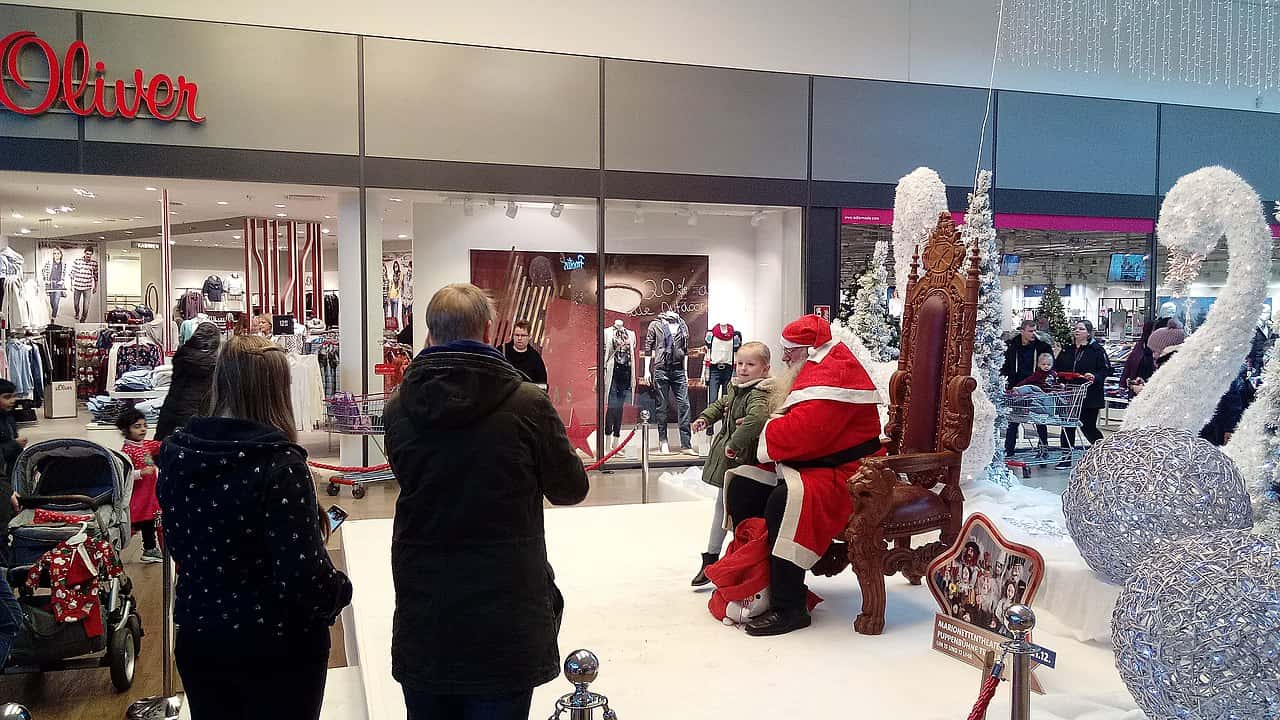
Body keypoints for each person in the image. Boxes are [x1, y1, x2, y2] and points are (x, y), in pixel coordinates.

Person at [385, 283, 588, 719]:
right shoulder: (526, 402)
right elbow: (570, 488)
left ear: (429, 332)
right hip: (506, 599)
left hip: (427, 597)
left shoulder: (400, 406)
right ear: (488, 329)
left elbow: (411, 478)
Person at [157, 335, 351, 720]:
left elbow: (177, 544)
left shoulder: (178, 454)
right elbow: (302, 575)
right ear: (276, 390)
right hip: (277, 646)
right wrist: (340, 591)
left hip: (201, 635)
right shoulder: (280, 465)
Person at [722, 315, 883, 636]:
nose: (784, 357)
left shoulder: (833, 377)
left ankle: (789, 605)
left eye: (790, 351)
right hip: (816, 462)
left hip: (847, 474)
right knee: (744, 483)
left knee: (784, 501)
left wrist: (762, 431)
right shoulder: (815, 369)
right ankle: (758, 580)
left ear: (810, 350)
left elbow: (802, 434)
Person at [688, 341, 774, 587]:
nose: (743, 369)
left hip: (743, 463)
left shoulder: (759, 393)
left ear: (765, 368)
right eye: (740, 363)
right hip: (732, 461)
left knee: (735, 511)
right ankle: (713, 557)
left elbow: (755, 420)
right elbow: (722, 404)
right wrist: (706, 417)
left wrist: (734, 444)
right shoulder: (738, 387)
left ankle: (730, 559)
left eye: (750, 364)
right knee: (722, 508)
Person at [1054, 320, 1112, 469]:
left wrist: (1094, 376)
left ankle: (1103, 453)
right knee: (1067, 427)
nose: (1077, 331)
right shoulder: (1068, 350)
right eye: (1076, 328)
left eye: (1081, 329)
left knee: (1088, 427)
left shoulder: (1097, 350)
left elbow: (1105, 370)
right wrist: (1059, 379)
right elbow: (1057, 367)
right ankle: (1066, 459)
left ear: (1088, 332)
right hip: (1070, 394)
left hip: (1090, 395)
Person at [154, 323, 221, 442]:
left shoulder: (182, 354)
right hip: (195, 414)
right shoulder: (214, 364)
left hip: (170, 409)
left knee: (163, 448)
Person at [116, 408, 162, 564]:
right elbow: (125, 474)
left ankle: (150, 549)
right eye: (137, 426)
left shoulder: (144, 445)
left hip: (148, 496)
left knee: (149, 522)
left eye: (144, 425)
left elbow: (160, 445)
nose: (142, 429)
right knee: (134, 524)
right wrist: (140, 473)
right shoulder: (127, 451)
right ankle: (112, 550)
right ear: (125, 430)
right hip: (138, 497)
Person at [1001, 320, 1052, 456]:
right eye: (1030, 331)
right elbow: (1005, 366)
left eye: (1035, 330)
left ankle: (1043, 449)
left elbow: (1048, 364)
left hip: (1035, 388)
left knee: (1040, 420)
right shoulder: (1011, 346)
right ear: (1022, 331)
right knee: (1014, 420)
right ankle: (1009, 450)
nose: (1033, 334)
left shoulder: (1042, 347)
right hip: (1016, 388)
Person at [503, 319, 548, 389]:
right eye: (517, 335)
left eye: (523, 335)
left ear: (529, 336)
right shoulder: (502, 350)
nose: (519, 338)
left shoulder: (535, 359)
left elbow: (542, 387)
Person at [1118, 320, 1156, 393]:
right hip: (1136, 388)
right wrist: (1124, 383)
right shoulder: (1140, 346)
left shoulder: (1155, 349)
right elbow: (1129, 364)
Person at [0, 380, 28, 472]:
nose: (13, 401)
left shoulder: (8, 417)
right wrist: (15, 444)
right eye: (7, 397)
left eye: (14, 396)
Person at [71, 246, 98, 323]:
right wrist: (71, 285)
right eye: (87, 254)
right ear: (84, 253)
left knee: (86, 306)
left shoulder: (93, 264)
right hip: (77, 286)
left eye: (90, 254)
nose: (88, 256)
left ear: (91, 255)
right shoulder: (78, 261)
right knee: (76, 303)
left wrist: (95, 287)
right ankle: (77, 313)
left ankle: (83, 319)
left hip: (87, 288)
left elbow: (96, 276)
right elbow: (72, 273)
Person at [41, 247, 68, 318]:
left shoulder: (63, 264)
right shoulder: (49, 263)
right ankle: (54, 312)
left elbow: (64, 273)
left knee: (56, 301)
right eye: (55, 254)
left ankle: (53, 317)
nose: (56, 255)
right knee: (52, 302)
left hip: (59, 284)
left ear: (61, 255)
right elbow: (43, 271)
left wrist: (62, 281)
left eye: (58, 253)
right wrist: (46, 280)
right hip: (51, 284)